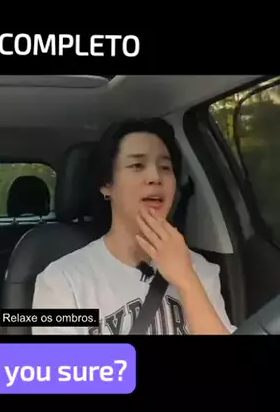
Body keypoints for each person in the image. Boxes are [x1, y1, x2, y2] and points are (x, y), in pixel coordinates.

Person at [32, 118, 236, 335]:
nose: (155, 177)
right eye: (137, 165)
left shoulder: (200, 270)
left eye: (165, 167)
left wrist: (186, 279)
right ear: (107, 185)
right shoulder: (62, 280)